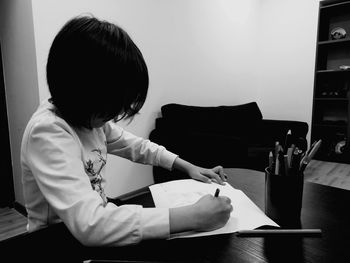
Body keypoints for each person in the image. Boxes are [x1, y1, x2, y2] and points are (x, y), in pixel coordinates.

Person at [20, 15, 233, 247]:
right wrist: (193, 216)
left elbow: (136, 146)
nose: (114, 115)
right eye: (111, 106)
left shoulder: (89, 120)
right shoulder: (47, 132)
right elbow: (92, 224)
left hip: (90, 232)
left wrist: (187, 166)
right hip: (53, 244)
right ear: (81, 89)